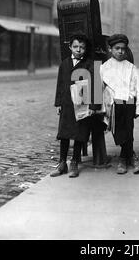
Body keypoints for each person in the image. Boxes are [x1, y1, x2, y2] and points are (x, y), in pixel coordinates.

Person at [51, 34, 99, 178]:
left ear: (85, 49)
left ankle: (74, 162)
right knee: (64, 133)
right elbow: (60, 84)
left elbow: (95, 86)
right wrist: (59, 103)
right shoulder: (64, 64)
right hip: (67, 103)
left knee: (79, 133)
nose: (79, 50)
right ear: (70, 47)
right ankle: (62, 163)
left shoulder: (90, 64)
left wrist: (93, 106)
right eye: (76, 47)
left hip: (82, 104)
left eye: (82, 47)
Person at [100, 34, 139, 175]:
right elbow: (102, 89)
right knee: (118, 132)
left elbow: (137, 88)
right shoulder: (104, 68)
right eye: (117, 48)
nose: (120, 51)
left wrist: (137, 107)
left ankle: (124, 159)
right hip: (114, 104)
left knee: (129, 130)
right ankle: (132, 156)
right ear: (110, 49)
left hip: (129, 102)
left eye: (123, 49)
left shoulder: (130, 67)